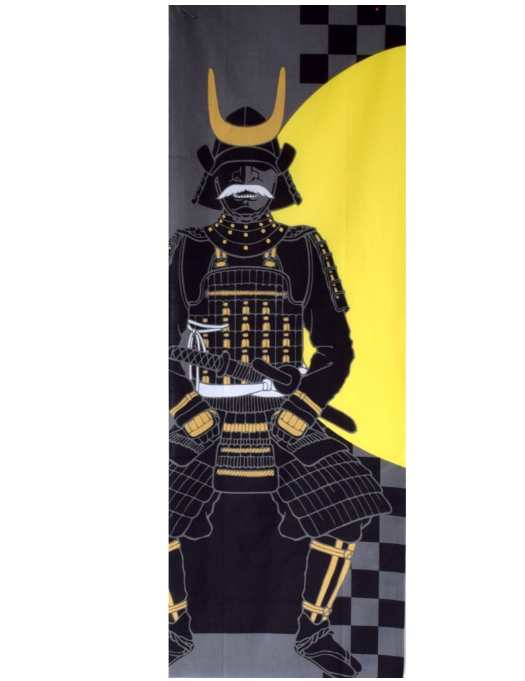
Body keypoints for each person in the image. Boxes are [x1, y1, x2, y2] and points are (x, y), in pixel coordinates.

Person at [168, 68, 391, 678]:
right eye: (233, 176)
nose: (245, 188)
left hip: (281, 406)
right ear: (214, 183)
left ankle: (313, 632)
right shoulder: (188, 248)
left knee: (348, 503)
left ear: (277, 182)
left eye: (258, 175)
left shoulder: (303, 247)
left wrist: (303, 407)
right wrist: (187, 409)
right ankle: (173, 627)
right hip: (204, 408)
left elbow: (337, 348)